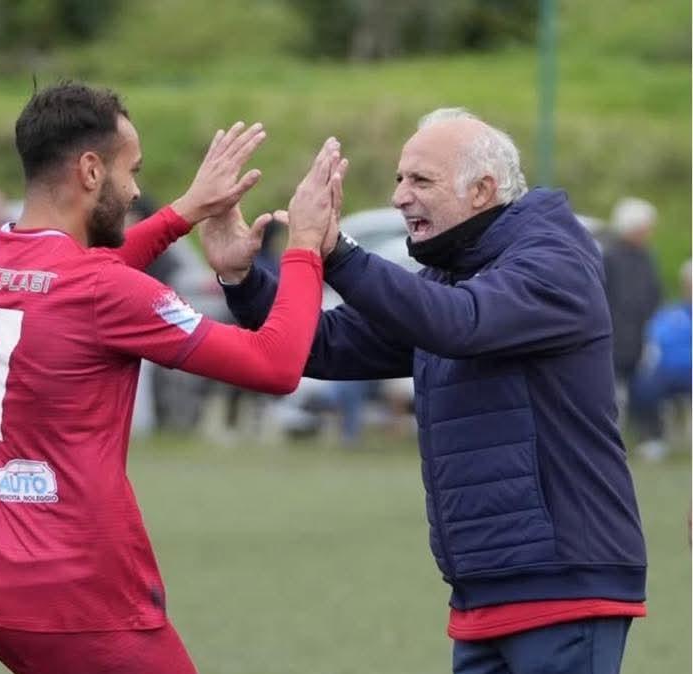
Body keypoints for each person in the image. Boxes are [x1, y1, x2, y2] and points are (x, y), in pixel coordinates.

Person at [204, 108, 647, 674]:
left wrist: (338, 252)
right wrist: (243, 280)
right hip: (485, 591)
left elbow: (459, 322)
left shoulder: (552, 260)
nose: (399, 197)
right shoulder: (452, 274)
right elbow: (327, 343)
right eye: (398, 179)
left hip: (563, 585)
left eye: (420, 181)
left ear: (483, 190)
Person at [0, 81, 344, 674]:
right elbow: (276, 364)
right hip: (85, 602)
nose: (136, 189)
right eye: (131, 170)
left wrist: (186, 211)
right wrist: (306, 247)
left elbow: (80, 282)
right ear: (90, 170)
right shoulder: (101, 289)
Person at [602, 197, 662, 414]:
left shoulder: (647, 257)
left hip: (641, 337)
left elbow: (655, 294)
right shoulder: (609, 257)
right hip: (615, 339)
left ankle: (646, 438)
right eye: (646, 228)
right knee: (614, 397)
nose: (649, 233)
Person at [629, 259, 692, 461]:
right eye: (688, 284)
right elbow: (654, 338)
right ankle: (654, 439)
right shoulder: (671, 313)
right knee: (643, 385)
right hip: (667, 372)